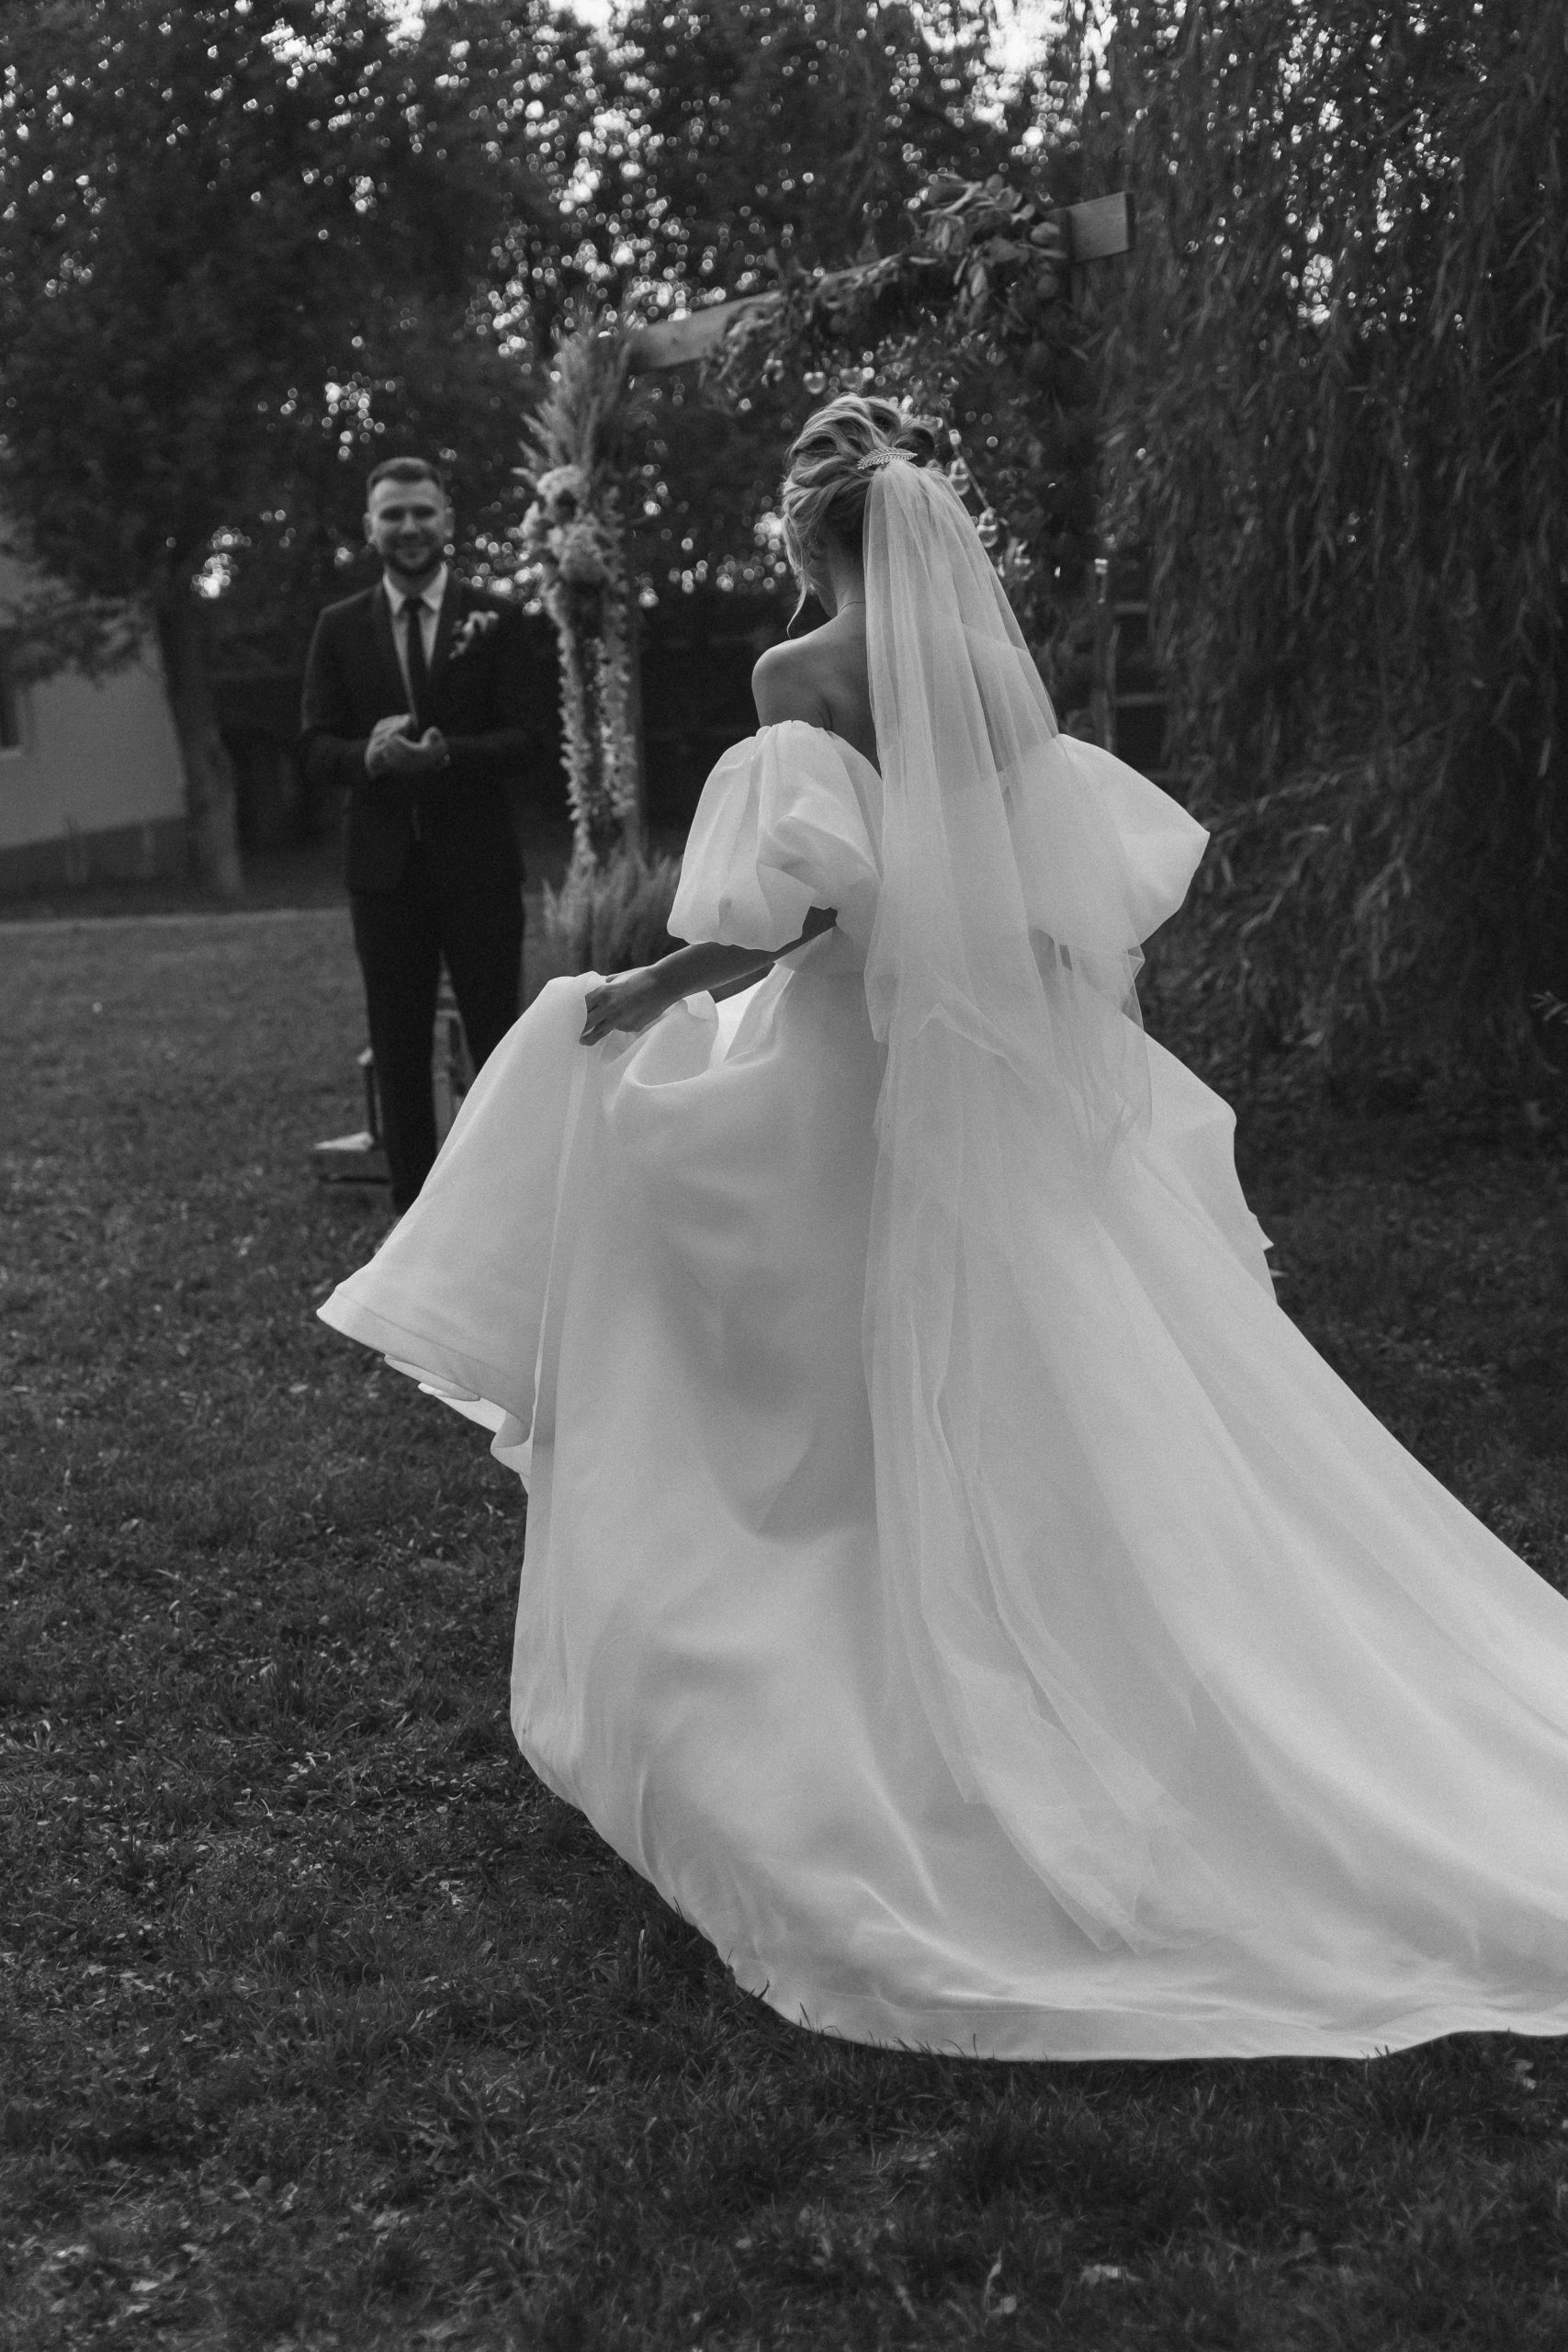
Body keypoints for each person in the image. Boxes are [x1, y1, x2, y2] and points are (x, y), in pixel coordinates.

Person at [319, 397, 1568, 2062]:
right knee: (1054, 1340)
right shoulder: (990, 674)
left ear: (805, 527)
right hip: (986, 1068)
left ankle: (818, 1632)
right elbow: (1050, 897)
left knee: (765, 1304)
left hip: (846, 1059)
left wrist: (639, 989)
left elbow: (785, 919)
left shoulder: (794, 675)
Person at [300, 455, 533, 1214]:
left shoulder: (498, 619)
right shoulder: (338, 627)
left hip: (478, 864)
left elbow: (529, 738)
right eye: (393, 514)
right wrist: (368, 758)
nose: (408, 527)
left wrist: (448, 755)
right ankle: (415, 1217)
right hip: (383, 873)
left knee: (498, 1039)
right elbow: (314, 746)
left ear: (448, 522)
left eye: (422, 512)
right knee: (398, 1045)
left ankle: (506, 1205)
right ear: (369, 526)